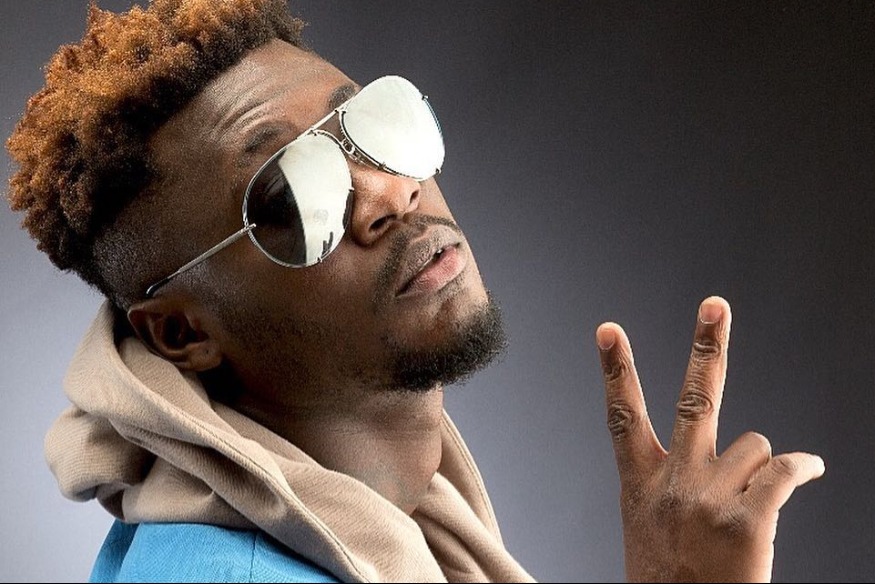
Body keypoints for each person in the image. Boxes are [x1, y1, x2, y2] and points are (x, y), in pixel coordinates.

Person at [5, 1, 825, 582]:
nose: (389, 193)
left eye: (372, 125)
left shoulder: (394, 526)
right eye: (292, 194)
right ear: (182, 333)